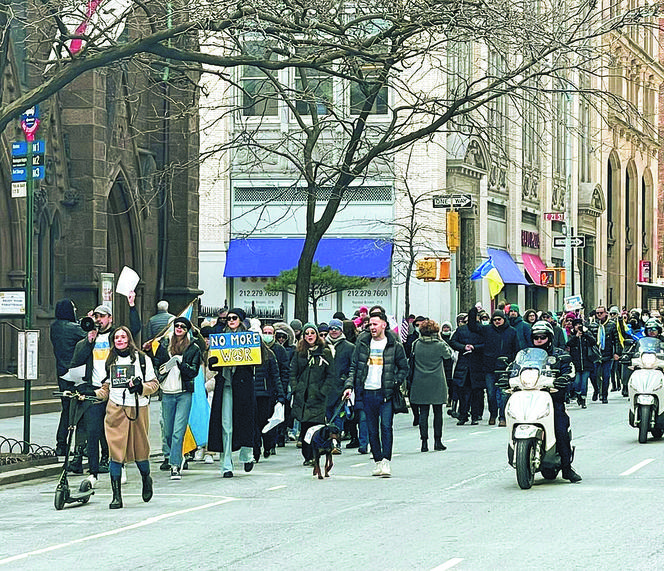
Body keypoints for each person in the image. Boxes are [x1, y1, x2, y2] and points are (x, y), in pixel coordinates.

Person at [68, 293, 141, 487]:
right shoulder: (89, 337)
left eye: (102, 317)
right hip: (95, 390)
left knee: (116, 432)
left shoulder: (116, 336)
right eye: (96, 317)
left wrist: (132, 306)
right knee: (93, 431)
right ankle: (93, 472)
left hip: (115, 389)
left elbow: (135, 329)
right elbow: (77, 359)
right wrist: (89, 339)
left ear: (110, 319)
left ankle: (120, 465)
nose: (98, 320)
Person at [91, 326, 159, 509]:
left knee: (140, 450)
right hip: (116, 408)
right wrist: (93, 393)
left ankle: (146, 478)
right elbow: (106, 386)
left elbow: (154, 384)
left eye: (123, 337)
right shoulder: (110, 360)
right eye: (117, 337)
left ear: (129, 339)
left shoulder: (142, 359)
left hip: (138, 408)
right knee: (116, 452)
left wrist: (141, 388)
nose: (120, 340)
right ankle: (116, 496)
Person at [514, 321, 581, 482]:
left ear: (549, 338)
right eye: (535, 337)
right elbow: (513, 369)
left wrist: (564, 378)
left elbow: (570, 370)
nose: (538, 340)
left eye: (542, 337)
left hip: (552, 399)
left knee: (560, 428)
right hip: (528, 397)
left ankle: (566, 467)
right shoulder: (524, 357)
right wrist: (506, 377)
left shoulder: (559, 355)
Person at [344, 312, 408, 477]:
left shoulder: (394, 344)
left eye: (375, 324)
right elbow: (354, 366)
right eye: (370, 324)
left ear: (384, 325)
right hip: (366, 391)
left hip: (385, 392)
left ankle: (386, 461)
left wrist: (395, 382)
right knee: (372, 429)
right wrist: (349, 385)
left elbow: (404, 368)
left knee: (386, 427)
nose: (372, 327)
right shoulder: (363, 344)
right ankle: (378, 461)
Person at [146, 316, 202, 480]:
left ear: (187, 330)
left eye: (183, 327)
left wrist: (180, 362)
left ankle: (175, 465)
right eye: (176, 326)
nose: (179, 328)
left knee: (178, 431)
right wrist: (160, 368)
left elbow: (193, 372)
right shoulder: (165, 344)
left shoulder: (193, 348)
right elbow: (156, 363)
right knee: (168, 432)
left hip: (184, 393)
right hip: (167, 393)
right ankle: (176, 455)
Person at [207, 308, 257, 478]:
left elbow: (261, 359)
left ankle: (246, 455)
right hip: (226, 384)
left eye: (234, 318)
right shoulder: (220, 337)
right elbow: (211, 362)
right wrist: (213, 363)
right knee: (225, 424)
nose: (230, 320)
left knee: (245, 420)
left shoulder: (250, 338)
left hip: (243, 385)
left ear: (241, 320)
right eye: (228, 318)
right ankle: (226, 464)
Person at [290, 323, 337, 466]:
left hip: (318, 396)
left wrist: (323, 391)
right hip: (303, 397)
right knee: (305, 429)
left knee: (316, 428)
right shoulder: (299, 353)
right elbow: (293, 372)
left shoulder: (325, 352)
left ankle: (316, 453)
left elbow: (331, 375)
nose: (309, 335)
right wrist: (296, 388)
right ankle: (307, 456)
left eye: (312, 333)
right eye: (307, 333)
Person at [467, 306, 518, 426]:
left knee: (504, 394)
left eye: (499, 319)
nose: (497, 322)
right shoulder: (487, 330)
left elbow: (516, 348)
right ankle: (493, 414)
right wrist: (474, 311)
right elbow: (472, 326)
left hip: (505, 368)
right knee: (491, 394)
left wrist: (514, 363)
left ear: (504, 319)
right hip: (489, 367)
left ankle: (502, 417)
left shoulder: (512, 331)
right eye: (495, 319)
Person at [408, 319, 453, 452]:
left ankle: (424, 442)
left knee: (423, 413)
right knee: (437, 412)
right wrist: (442, 340)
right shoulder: (439, 345)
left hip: (420, 381)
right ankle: (438, 441)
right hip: (437, 381)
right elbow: (449, 355)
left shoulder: (416, 344)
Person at [50, 299, 86, 456]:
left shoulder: (55, 327)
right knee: (82, 408)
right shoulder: (72, 328)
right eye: (73, 308)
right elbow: (87, 334)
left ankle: (61, 444)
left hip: (62, 372)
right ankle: (81, 446)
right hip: (76, 373)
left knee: (66, 409)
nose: (75, 309)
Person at [449, 314, 485, 425]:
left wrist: (475, 347)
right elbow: (453, 342)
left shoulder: (482, 330)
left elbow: (487, 344)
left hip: (477, 365)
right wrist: (463, 347)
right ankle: (463, 415)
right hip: (464, 365)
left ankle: (473, 415)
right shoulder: (460, 330)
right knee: (463, 392)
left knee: (476, 393)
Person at [325, 318, 355, 447]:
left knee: (338, 416)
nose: (333, 331)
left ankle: (335, 441)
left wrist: (348, 384)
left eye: (336, 328)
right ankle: (328, 440)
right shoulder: (322, 346)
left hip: (341, 388)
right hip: (325, 388)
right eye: (331, 328)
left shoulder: (349, 347)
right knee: (327, 415)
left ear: (341, 330)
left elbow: (352, 368)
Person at [261, 323, 291, 447]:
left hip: (274, 388)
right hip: (262, 389)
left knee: (273, 417)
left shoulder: (280, 350)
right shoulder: (257, 348)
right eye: (265, 332)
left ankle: (271, 443)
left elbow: (284, 370)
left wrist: (282, 389)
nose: (267, 335)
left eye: (270, 333)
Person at [587, 305, 621, 404]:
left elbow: (616, 340)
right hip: (595, 354)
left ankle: (604, 395)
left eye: (601, 313)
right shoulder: (593, 325)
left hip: (607, 354)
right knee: (593, 375)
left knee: (606, 376)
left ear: (606, 313)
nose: (599, 315)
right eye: (597, 313)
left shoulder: (612, 325)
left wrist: (616, 353)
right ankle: (596, 390)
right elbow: (590, 340)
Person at [565, 318, 598, 408]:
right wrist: (576, 336)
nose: (578, 327)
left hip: (587, 362)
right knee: (576, 382)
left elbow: (593, 342)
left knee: (584, 382)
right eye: (576, 325)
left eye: (579, 325)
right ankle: (578, 395)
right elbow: (568, 344)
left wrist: (585, 334)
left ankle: (583, 399)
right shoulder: (572, 335)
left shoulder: (587, 334)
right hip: (576, 363)